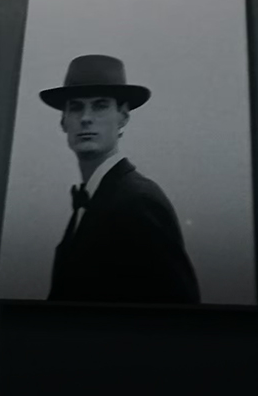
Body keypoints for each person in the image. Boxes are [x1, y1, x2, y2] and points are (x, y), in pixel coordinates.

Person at [40, 54, 200, 304]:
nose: (86, 118)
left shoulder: (139, 201)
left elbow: (178, 311)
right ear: (63, 121)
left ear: (123, 117)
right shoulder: (91, 201)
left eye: (100, 106)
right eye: (76, 107)